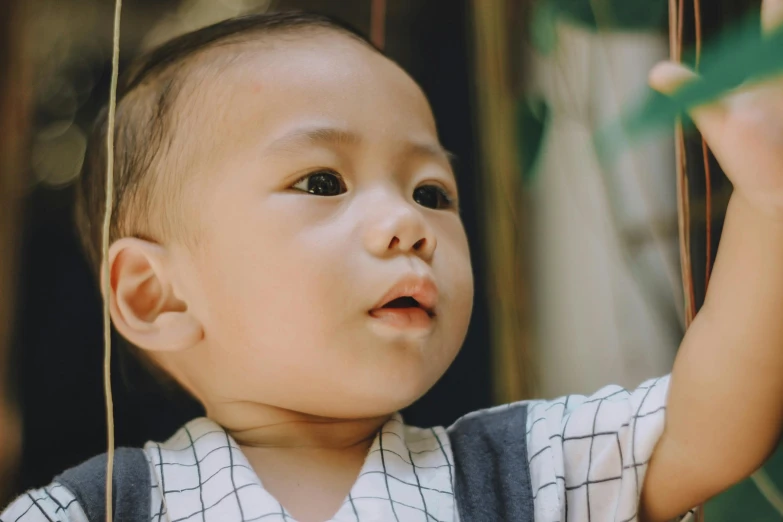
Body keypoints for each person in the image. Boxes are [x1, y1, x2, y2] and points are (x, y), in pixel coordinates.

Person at [3, 2, 783, 521]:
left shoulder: (515, 471)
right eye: (322, 181)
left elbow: (703, 427)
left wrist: (766, 204)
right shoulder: (97, 508)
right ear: (155, 296)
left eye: (432, 192)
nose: (407, 223)